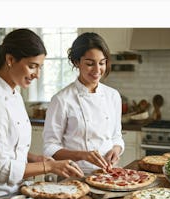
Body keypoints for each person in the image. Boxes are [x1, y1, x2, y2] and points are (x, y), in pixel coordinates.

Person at [0, 28, 83, 199]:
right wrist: (50, 166)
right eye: (32, 66)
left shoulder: (13, 92)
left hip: (14, 193)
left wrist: (34, 158)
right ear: (10, 59)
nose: (37, 75)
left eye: (40, 67)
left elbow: (7, 147)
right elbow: (1, 169)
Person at [43, 32, 124, 175]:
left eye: (102, 63)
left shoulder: (113, 96)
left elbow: (116, 137)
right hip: (74, 175)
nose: (97, 70)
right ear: (76, 62)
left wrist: (115, 151)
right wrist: (82, 155)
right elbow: (50, 147)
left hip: (109, 174)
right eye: (90, 63)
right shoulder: (62, 99)